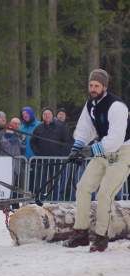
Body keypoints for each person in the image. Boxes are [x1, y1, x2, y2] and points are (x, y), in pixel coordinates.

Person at [63, 68, 130, 252]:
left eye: (96, 86)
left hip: (123, 152)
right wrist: (77, 147)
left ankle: (101, 236)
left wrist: (90, 150)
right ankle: (81, 232)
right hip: (102, 152)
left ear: (104, 87)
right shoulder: (90, 104)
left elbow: (116, 138)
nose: (93, 89)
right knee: (83, 187)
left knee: (104, 194)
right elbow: (85, 129)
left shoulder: (117, 106)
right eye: (91, 85)